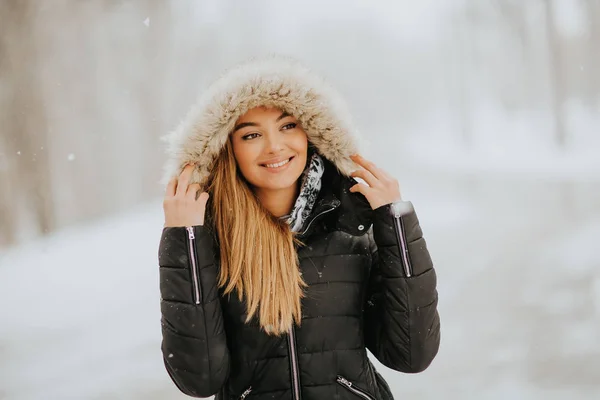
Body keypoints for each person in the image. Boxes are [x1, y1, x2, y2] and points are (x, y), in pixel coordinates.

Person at [158, 55, 440, 400]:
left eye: (288, 125)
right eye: (251, 135)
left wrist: (395, 222)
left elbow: (412, 354)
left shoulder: (351, 228)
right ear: (227, 149)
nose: (275, 146)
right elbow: (198, 379)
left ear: (312, 133)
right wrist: (183, 240)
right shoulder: (209, 241)